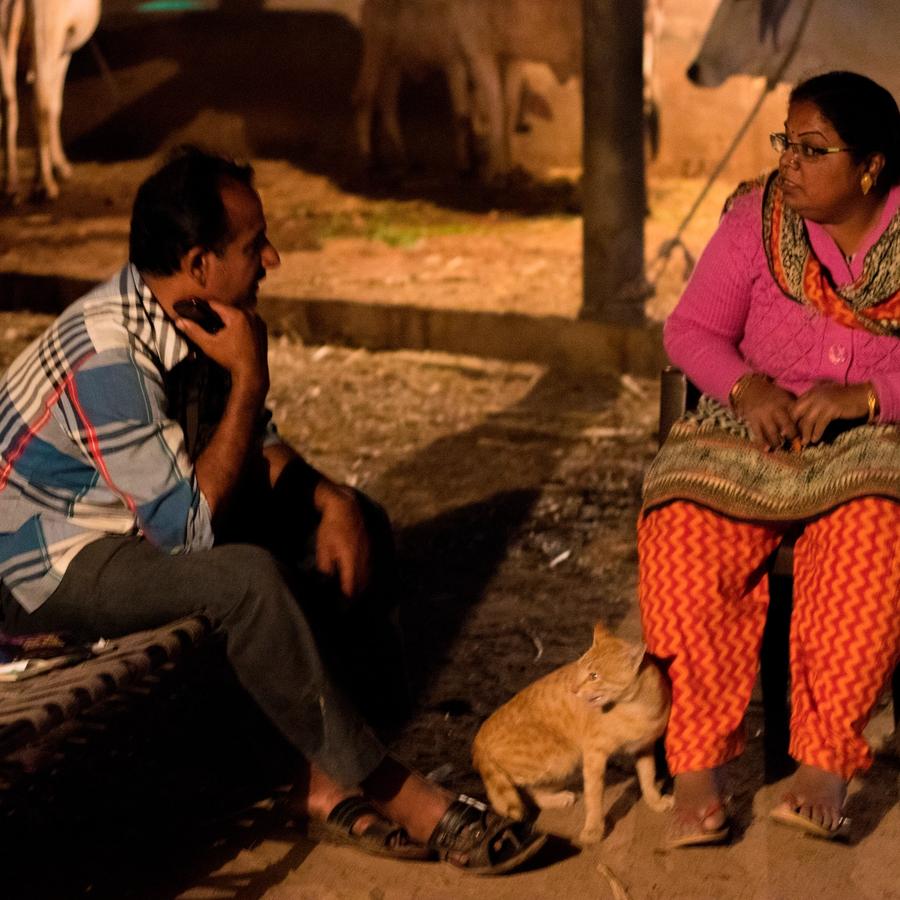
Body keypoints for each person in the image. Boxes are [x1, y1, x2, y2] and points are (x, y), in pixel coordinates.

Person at [0, 146, 545, 873]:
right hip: (38, 565)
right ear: (199, 262)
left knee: (355, 524)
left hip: (123, 523)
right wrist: (252, 375)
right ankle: (396, 790)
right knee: (246, 580)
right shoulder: (110, 354)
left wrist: (329, 499)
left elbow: (249, 444)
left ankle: (327, 784)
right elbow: (188, 531)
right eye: (255, 245)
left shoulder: (185, 311)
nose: (273, 258)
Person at [639, 71, 900, 847]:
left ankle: (825, 767)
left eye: (813, 149)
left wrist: (868, 395)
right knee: (683, 528)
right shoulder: (756, 221)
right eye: (787, 142)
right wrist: (747, 386)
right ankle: (697, 771)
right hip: (750, 434)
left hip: (868, 444)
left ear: (871, 167)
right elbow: (689, 333)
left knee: (870, 533)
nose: (790, 162)